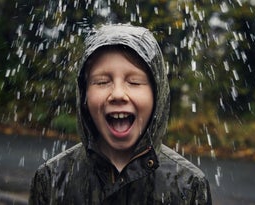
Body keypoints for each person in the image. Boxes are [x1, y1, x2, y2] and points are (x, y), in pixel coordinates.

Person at [29, 24, 212, 205]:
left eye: (134, 82)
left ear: (157, 95)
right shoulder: (51, 180)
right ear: (84, 95)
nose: (117, 94)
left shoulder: (189, 186)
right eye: (101, 82)